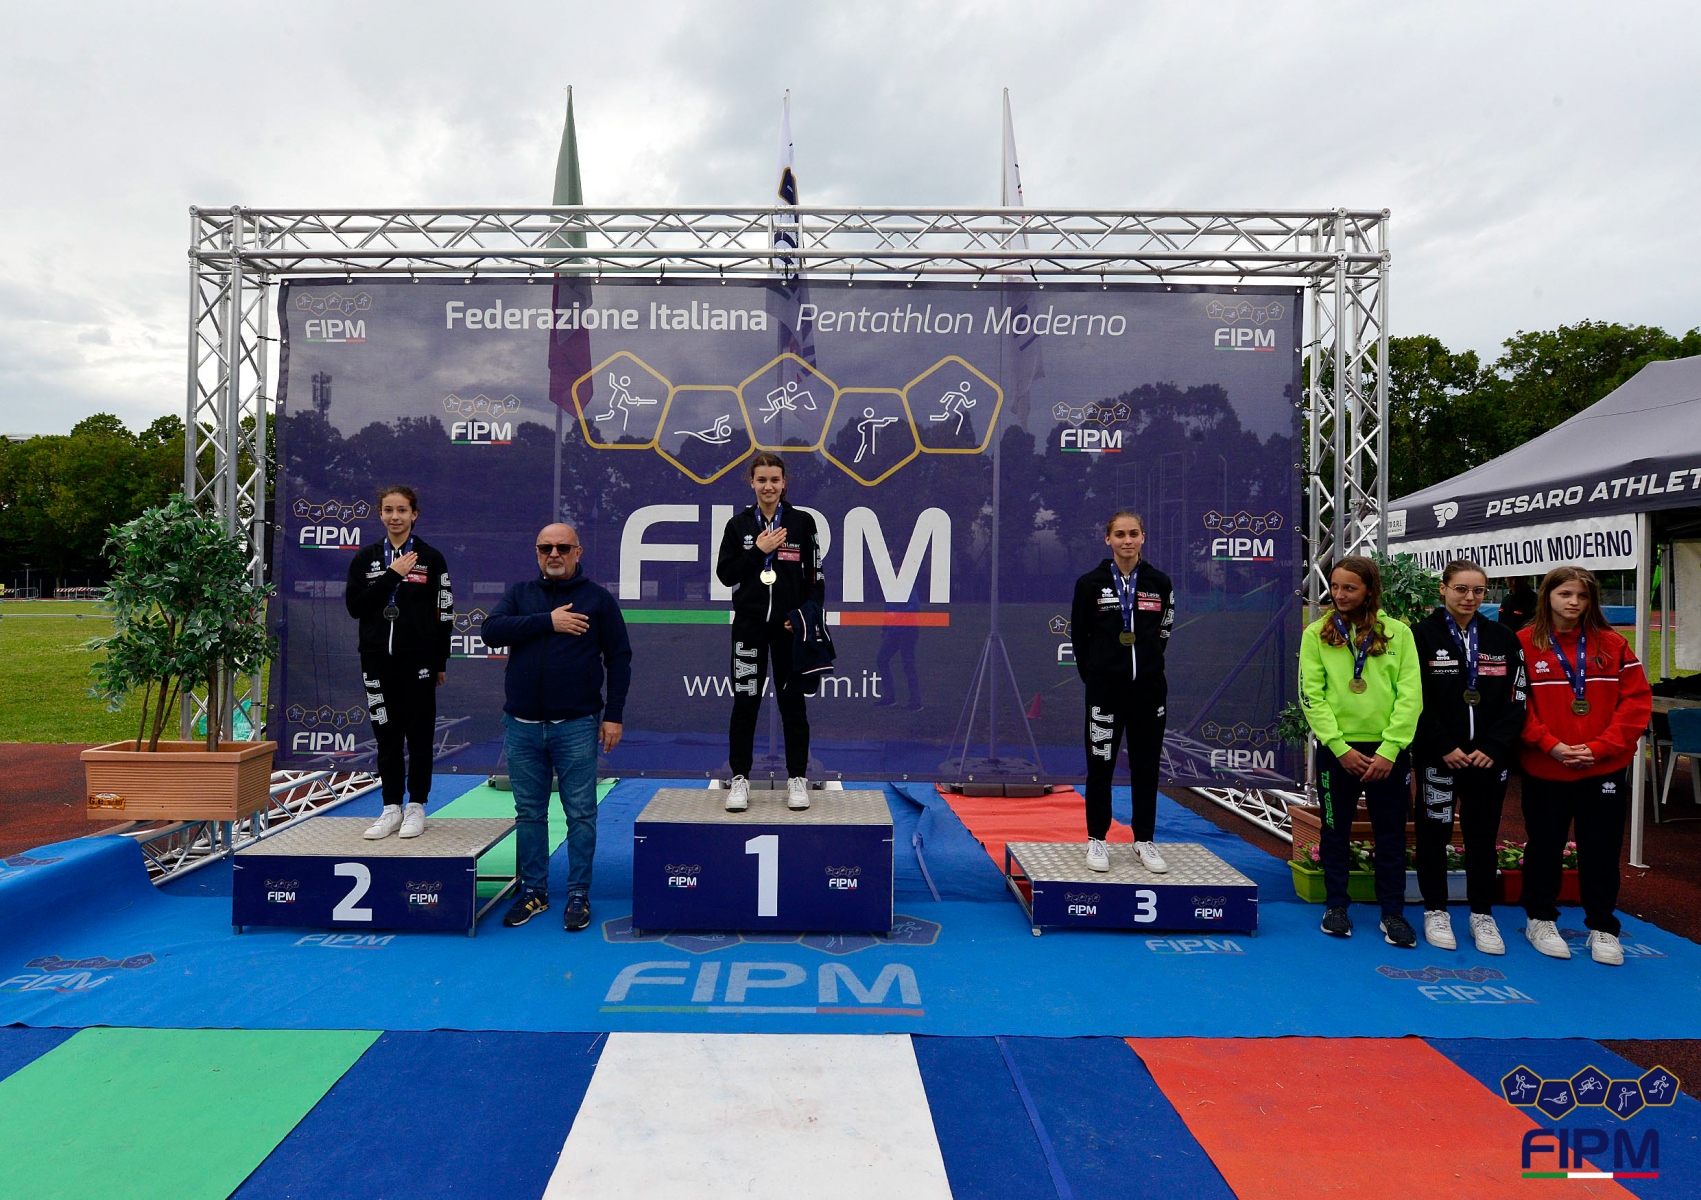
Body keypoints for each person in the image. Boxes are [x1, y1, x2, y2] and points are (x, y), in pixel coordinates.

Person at [481, 523, 631, 932]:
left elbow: (619, 657)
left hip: (576, 726)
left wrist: (613, 715)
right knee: (529, 813)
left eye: (563, 547)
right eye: (546, 547)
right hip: (522, 727)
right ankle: (534, 891)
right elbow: (491, 632)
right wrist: (547, 621)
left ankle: (579, 894)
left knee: (580, 813)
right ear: (536, 552)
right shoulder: (520, 595)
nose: (554, 554)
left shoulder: (597, 599)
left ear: (578, 552)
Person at [1516, 566, 1652, 965]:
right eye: (1565, 594)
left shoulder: (1613, 644)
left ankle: (1603, 926)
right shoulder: (1523, 643)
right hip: (1546, 766)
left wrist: (1600, 747)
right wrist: (1551, 745)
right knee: (1544, 845)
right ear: (1548, 596)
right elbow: (1515, 703)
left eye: (1582, 595)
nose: (1574, 602)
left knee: (1602, 848)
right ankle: (1540, 918)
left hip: (1602, 766)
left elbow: (1636, 702)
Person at [1299, 555, 1423, 946]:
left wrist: (1390, 750)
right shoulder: (1316, 633)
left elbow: (1411, 695)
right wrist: (1338, 746)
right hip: (1338, 751)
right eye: (1335, 587)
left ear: (1369, 590)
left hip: (1388, 752)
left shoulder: (1399, 633)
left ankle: (1392, 912)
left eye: (1349, 588)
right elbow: (1311, 695)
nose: (1340, 595)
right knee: (1334, 831)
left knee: (1391, 834)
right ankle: (1336, 906)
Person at [1411, 560, 1527, 954]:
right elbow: (1412, 697)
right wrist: (1442, 745)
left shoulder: (1502, 637)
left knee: (1482, 835)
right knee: (1433, 833)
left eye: (1478, 590)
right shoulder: (1420, 636)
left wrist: (1494, 747)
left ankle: (1482, 913)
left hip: (1486, 760)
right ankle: (1435, 910)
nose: (1470, 598)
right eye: (1461, 589)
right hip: (1439, 756)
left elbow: (1518, 697)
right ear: (1442, 589)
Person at [715, 452, 823, 813]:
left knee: (794, 705)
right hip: (749, 629)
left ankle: (797, 779)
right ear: (752, 482)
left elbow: (816, 580)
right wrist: (758, 551)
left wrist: (803, 617)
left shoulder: (802, 523)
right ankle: (740, 779)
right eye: (761, 480)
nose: (768, 487)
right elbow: (726, 574)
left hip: (790, 630)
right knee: (745, 703)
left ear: (784, 482)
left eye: (774, 480)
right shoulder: (738, 525)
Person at [1069, 510, 1175, 874]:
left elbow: (1164, 631)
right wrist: (1097, 676)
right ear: (1108, 539)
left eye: (1133, 534)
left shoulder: (1159, 582)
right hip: (1105, 691)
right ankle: (1097, 838)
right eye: (1120, 534)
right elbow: (1079, 636)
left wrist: (1146, 665)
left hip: (1148, 691)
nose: (1127, 540)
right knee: (1101, 766)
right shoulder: (1090, 583)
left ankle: (1143, 840)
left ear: (1143, 537)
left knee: (1146, 767)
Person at [344, 485, 452, 840]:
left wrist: (440, 660)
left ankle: (416, 805)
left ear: (414, 514)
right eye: (388, 510)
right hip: (376, 661)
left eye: (402, 510)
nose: (395, 517)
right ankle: (391, 806)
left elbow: (444, 612)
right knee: (386, 736)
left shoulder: (431, 558)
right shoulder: (366, 558)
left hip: (418, 662)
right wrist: (392, 574)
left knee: (419, 736)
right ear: (380, 514)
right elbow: (355, 607)